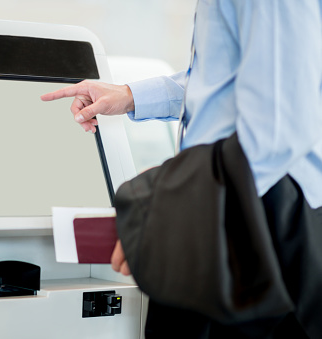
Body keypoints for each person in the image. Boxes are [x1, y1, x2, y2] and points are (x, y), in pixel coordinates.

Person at [42, 1, 322, 338]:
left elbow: (276, 129)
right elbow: (228, 78)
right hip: (238, 202)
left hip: (257, 212)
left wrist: (169, 217)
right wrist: (130, 94)